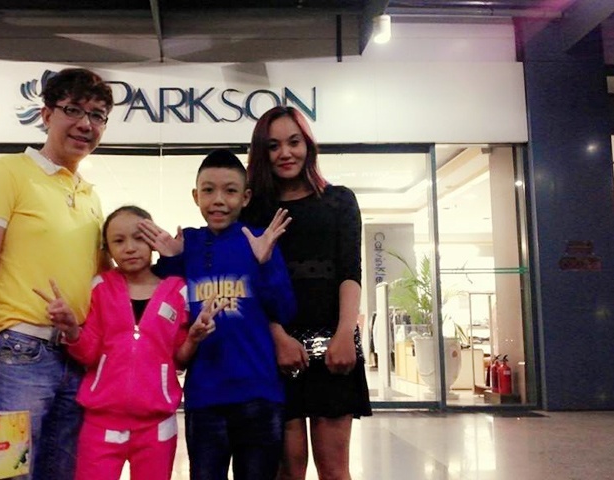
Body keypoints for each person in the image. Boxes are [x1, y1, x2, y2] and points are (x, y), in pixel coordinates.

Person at [0, 68, 114, 480]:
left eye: (98, 115)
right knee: (8, 473)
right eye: (74, 110)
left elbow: (102, 280)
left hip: (77, 355)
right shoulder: (9, 172)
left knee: (62, 473)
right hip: (19, 352)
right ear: (46, 114)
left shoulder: (91, 195)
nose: (86, 124)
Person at [33, 206, 226, 480]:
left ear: (153, 240)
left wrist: (194, 338)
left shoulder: (178, 290)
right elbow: (89, 353)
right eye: (119, 241)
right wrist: (72, 330)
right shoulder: (100, 287)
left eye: (139, 238)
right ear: (108, 249)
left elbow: (179, 358)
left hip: (157, 423)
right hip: (100, 421)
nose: (130, 248)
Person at [138, 149, 296, 480]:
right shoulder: (190, 244)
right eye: (208, 190)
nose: (219, 200)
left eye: (230, 190)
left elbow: (284, 309)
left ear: (245, 197)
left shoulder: (259, 240)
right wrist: (170, 259)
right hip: (204, 397)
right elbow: (167, 307)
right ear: (196, 196)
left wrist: (265, 263)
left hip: (259, 393)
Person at [242, 106, 373, 480]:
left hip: (334, 346)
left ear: (308, 145)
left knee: (334, 469)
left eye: (294, 142)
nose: (285, 153)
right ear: (261, 152)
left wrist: (345, 332)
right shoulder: (254, 209)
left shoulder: (339, 200)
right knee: (287, 469)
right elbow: (248, 283)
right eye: (273, 146)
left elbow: (350, 272)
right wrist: (277, 337)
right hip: (275, 349)